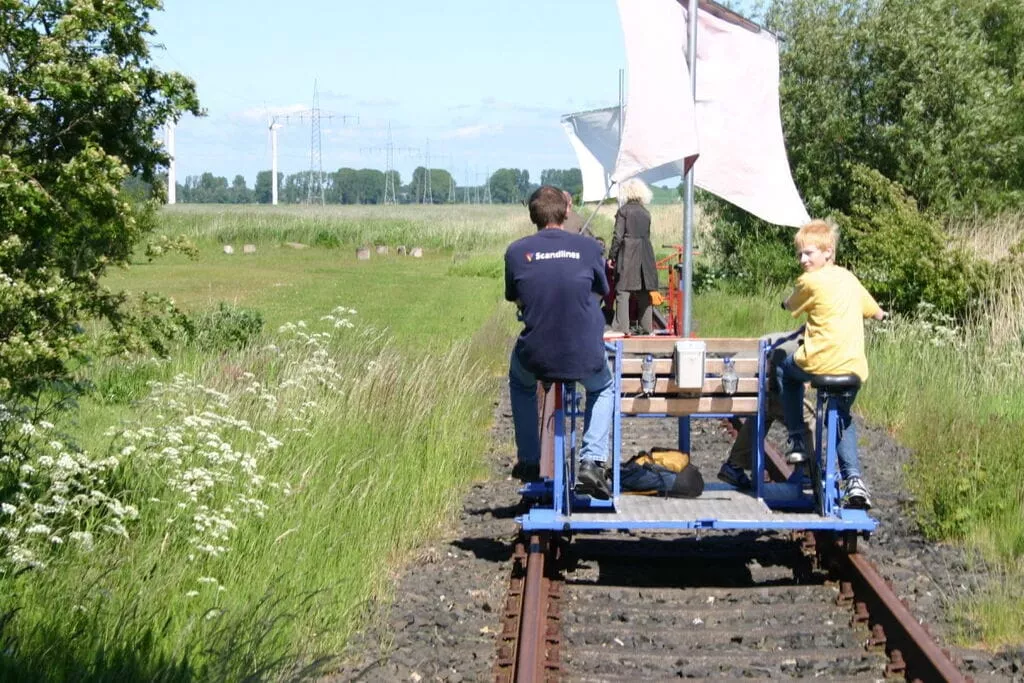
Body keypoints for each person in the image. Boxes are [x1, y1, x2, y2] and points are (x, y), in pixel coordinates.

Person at [504, 185, 613, 498]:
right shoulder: (590, 248)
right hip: (584, 351)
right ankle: (591, 461)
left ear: (533, 215)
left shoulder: (515, 251)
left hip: (536, 352)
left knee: (521, 382)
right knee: (603, 387)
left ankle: (528, 459)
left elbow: (516, 297)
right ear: (567, 210)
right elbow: (601, 290)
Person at [777, 219, 886, 509]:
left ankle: (797, 439)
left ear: (828, 252)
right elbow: (874, 310)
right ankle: (854, 481)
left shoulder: (808, 281)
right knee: (842, 414)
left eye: (808, 253)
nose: (803, 259)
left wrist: (785, 304)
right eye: (800, 254)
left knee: (783, 370)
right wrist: (881, 315)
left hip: (819, 363)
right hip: (853, 369)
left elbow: (791, 304)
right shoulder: (849, 278)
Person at [717, 332, 815, 490]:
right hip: (755, 386)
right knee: (807, 416)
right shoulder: (799, 348)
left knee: (766, 408)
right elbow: (783, 379)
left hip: (739, 382)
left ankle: (734, 465)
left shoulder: (788, 337)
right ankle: (807, 473)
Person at [608, 178, 658, 335]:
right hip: (645, 252)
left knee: (623, 290)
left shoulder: (623, 211)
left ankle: (621, 328)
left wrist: (612, 256)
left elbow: (618, 236)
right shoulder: (646, 213)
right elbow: (647, 234)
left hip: (628, 252)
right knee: (644, 290)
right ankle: (647, 328)